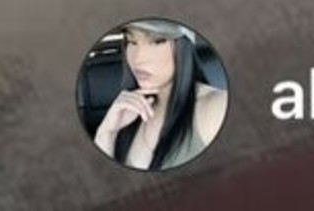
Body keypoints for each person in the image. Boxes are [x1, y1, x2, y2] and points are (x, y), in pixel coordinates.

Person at [91, 22, 227, 170]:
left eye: (157, 41)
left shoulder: (217, 107)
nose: (138, 59)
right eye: (132, 41)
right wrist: (106, 134)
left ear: (184, 46)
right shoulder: (129, 112)